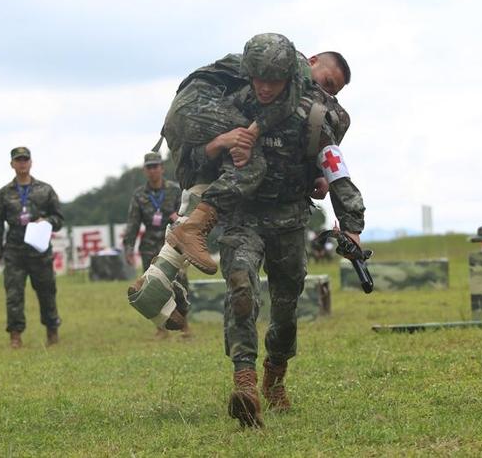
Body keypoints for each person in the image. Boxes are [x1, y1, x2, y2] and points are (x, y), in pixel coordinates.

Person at [127, 34, 355, 332]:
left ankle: (156, 282)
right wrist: (240, 136)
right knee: (250, 166)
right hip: (196, 118)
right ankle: (189, 233)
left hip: (187, 123)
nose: (323, 92)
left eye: (331, 91)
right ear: (310, 62)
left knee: (207, 189)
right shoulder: (284, 77)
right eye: (324, 82)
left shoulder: (267, 89)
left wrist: (315, 172)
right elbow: (274, 119)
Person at [217, 39, 366, 428]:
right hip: (243, 215)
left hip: (289, 220)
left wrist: (352, 224)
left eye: (274, 79)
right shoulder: (236, 100)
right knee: (241, 288)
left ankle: (275, 377)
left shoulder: (314, 117)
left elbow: (335, 169)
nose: (266, 86)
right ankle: (244, 380)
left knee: (285, 310)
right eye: (260, 78)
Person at [0, 146, 65, 349]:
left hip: (40, 251)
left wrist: (46, 220)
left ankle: (52, 332)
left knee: (47, 291)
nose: (22, 163)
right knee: (14, 294)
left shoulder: (45, 190)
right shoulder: (4, 194)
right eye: (18, 160)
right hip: (14, 251)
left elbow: (59, 219)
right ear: (12, 164)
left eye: (25, 159)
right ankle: (15, 335)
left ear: (31, 162)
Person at [123, 151, 190, 338]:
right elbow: (133, 223)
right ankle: (161, 328)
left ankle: (184, 325)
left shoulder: (175, 191)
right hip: (150, 245)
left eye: (156, 166)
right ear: (145, 170)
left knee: (181, 284)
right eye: (149, 167)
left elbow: (187, 215)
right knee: (152, 287)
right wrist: (129, 247)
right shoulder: (139, 195)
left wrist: (180, 218)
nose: (153, 170)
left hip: (173, 244)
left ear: (162, 168)